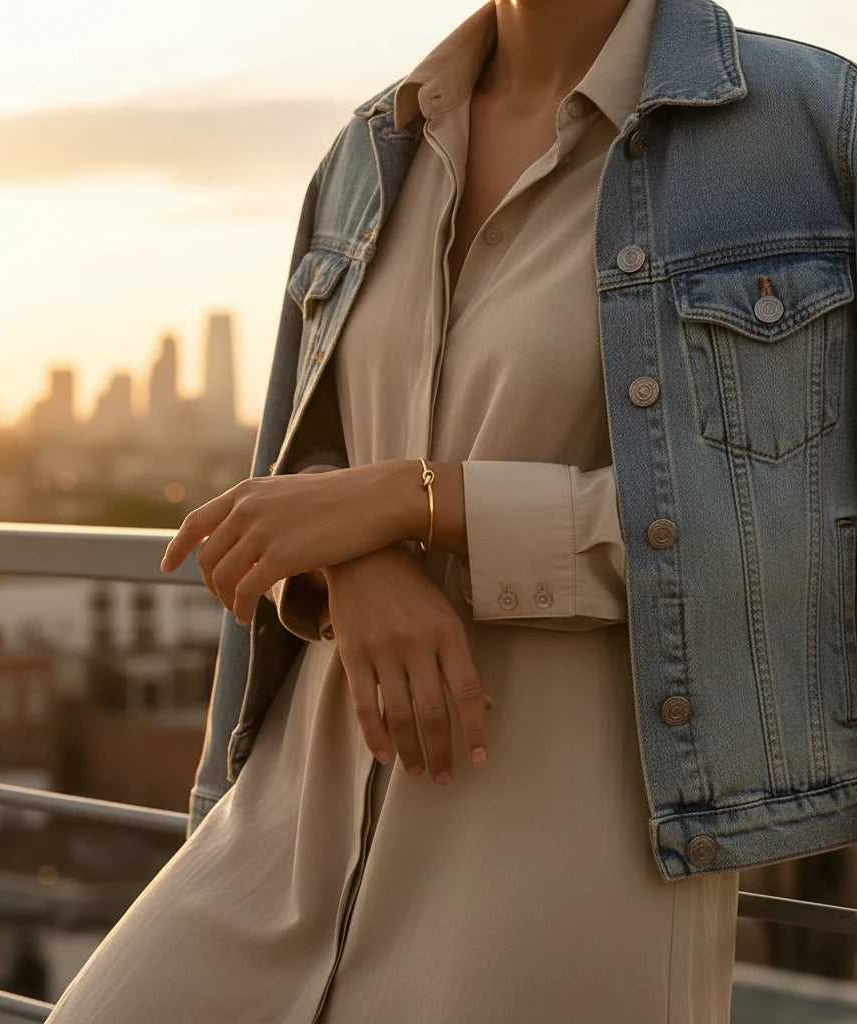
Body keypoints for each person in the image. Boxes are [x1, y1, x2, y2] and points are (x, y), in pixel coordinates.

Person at [46, 0, 857, 1020]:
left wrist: (416, 502)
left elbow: (792, 531)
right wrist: (355, 563)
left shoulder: (810, 131)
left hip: (568, 853)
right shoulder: (369, 148)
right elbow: (314, 460)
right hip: (298, 814)